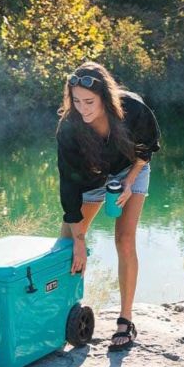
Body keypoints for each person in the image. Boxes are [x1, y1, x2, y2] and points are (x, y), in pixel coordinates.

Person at [56, 62, 161, 351]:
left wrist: (128, 182)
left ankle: (125, 320)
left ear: (105, 97)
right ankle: (62, 315)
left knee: (124, 240)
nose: (83, 108)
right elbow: (69, 187)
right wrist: (79, 239)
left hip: (129, 171)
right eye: (76, 101)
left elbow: (147, 148)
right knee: (66, 245)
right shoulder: (69, 129)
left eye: (89, 102)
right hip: (90, 178)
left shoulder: (132, 109)